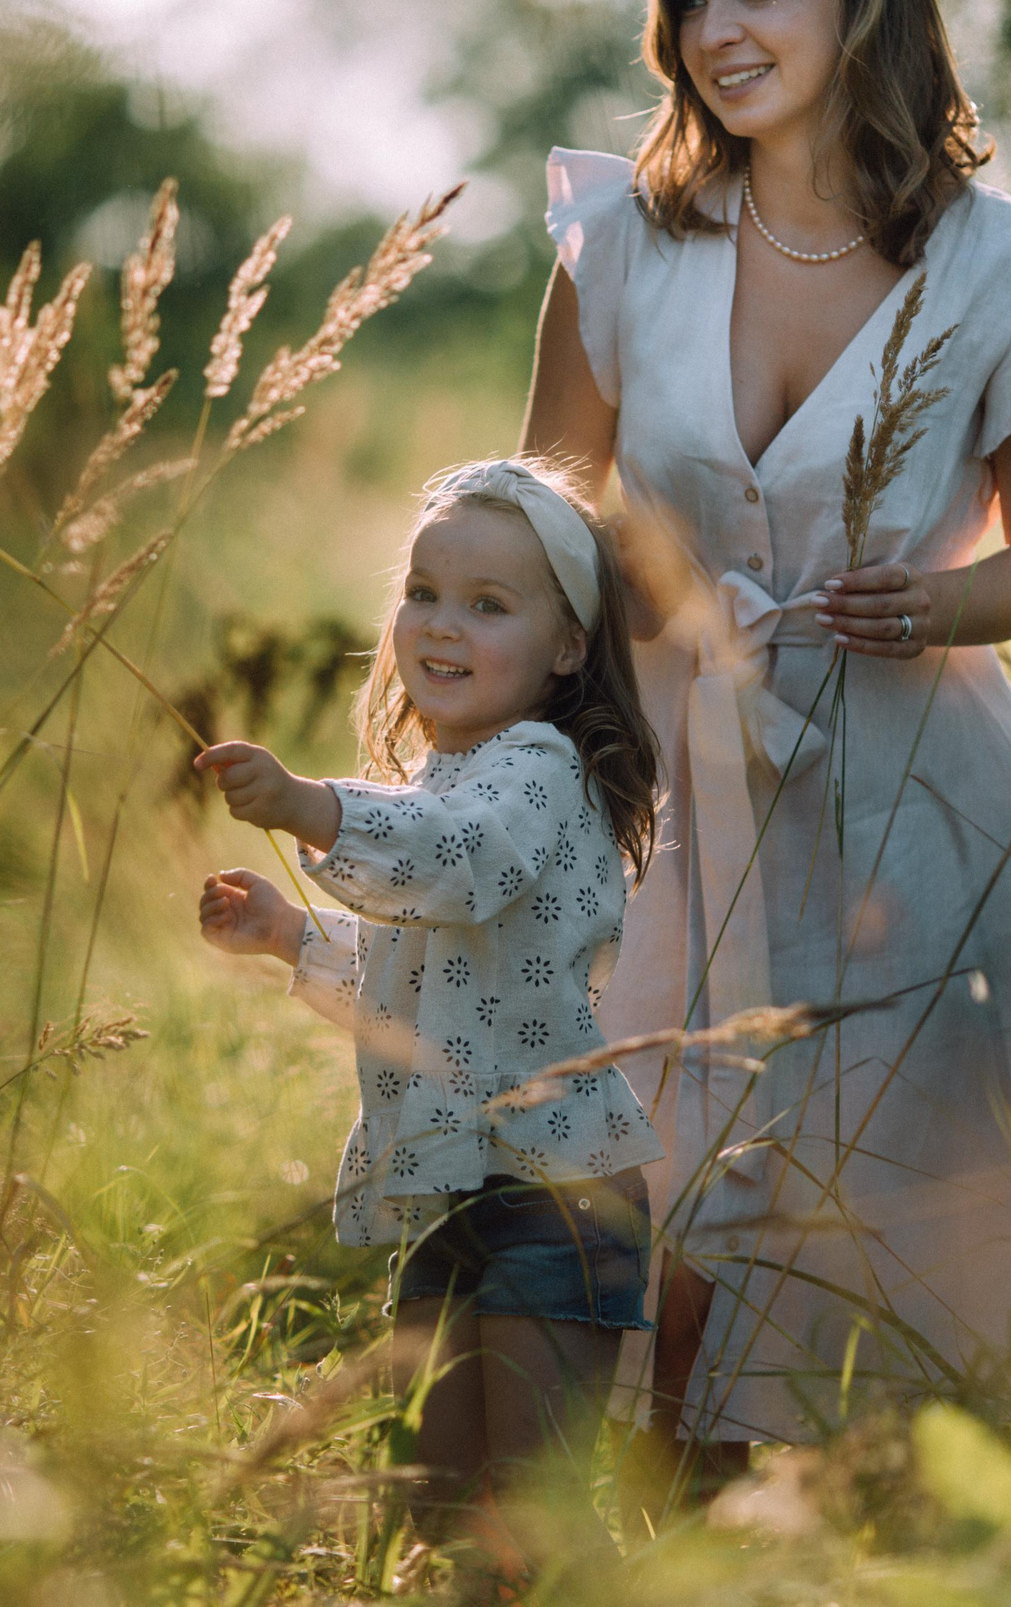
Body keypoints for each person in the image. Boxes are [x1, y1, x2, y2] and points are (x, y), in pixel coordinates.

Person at [519, 0, 1011, 1480]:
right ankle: (661, 1539)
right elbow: (547, 528)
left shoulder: (1008, 273)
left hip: (918, 815)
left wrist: (938, 595)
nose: (713, 27)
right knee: (653, 1195)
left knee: (887, 1226)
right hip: (671, 792)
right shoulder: (619, 245)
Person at [194, 458, 665, 1575]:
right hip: (460, 1193)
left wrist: (312, 809)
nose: (440, 626)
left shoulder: (538, 775)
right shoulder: (443, 786)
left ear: (564, 647)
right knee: (444, 1511)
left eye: (488, 605)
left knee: (534, 1513)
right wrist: (291, 940)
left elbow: (457, 864)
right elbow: (421, 986)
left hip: (556, 1198)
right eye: (423, 592)